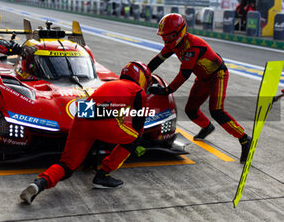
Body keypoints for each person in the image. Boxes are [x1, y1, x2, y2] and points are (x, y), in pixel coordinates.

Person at [20, 61, 152, 204]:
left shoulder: (110, 84)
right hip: (103, 119)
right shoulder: (138, 91)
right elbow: (139, 124)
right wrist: (136, 140)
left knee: (67, 166)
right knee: (134, 138)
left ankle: (40, 183)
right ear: (142, 78)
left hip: (82, 117)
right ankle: (103, 175)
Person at [147, 13, 251, 164]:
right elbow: (157, 60)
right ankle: (207, 127)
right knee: (191, 110)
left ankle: (244, 138)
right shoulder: (173, 43)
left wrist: (167, 90)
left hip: (218, 75)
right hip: (202, 78)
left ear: (180, 32)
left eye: (169, 36)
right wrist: (143, 74)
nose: (166, 40)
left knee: (217, 111)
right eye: (164, 36)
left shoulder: (192, 46)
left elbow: (184, 74)